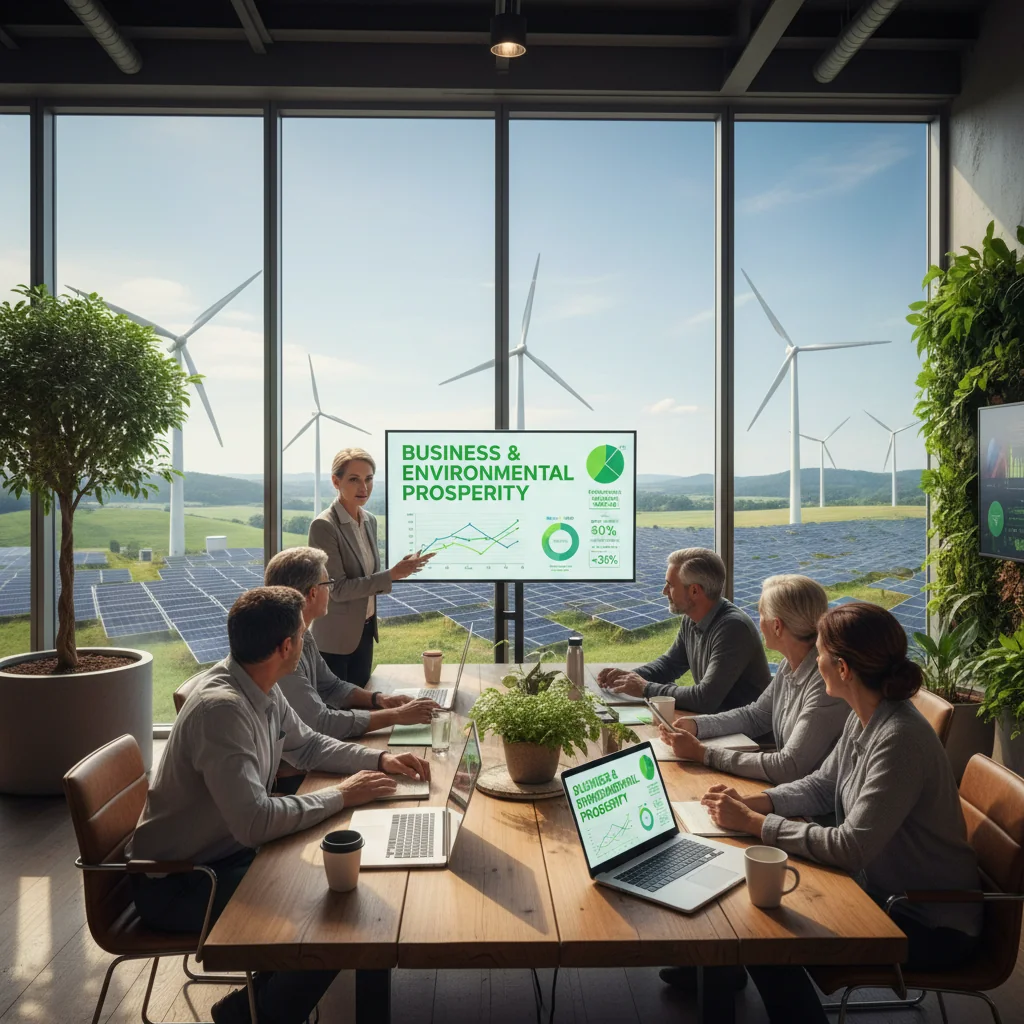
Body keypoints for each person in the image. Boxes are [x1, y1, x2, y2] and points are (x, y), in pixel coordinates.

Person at [128, 587, 431, 1024]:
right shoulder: (222, 712)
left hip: (224, 854)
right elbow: (255, 822)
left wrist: (381, 759)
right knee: (336, 915)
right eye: (304, 634)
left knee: (336, 892)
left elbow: (308, 747)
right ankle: (257, 1015)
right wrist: (343, 794)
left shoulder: (256, 683)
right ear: (286, 646)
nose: (307, 642)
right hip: (182, 883)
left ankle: (249, 1007)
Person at [701, 602, 981, 1024]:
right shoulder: (867, 715)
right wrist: (754, 804)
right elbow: (821, 785)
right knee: (746, 907)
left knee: (761, 935)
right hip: (881, 893)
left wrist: (756, 824)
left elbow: (851, 847)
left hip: (924, 921)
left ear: (844, 669)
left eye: (821, 651)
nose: (815, 659)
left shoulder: (899, 740)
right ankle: (711, 985)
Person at [657, 574, 849, 784]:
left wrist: (703, 753)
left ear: (777, 626)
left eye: (760, 614)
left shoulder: (825, 685)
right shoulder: (791, 664)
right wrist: (696, 725)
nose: (758, 622)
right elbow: (755, 716)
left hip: (812, 808)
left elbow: (789, 766)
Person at [265, 546, 437, 743]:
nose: (330, 589)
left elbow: (331, 686)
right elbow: (320, 723)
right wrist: (397, 715)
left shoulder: (303, 634)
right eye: (328, 583)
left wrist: (381, 700)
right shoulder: (284, 652)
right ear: (313, 593)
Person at [308, 447, 432, 686]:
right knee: (338, 714)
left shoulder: (369, 521)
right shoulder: (323, 526)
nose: (363, 487)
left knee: (362, 709)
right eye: (354, 479)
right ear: (336, 481)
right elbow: (338, 589)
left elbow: (368, 575)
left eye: (369, 479)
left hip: (363, 632)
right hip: (335, 640)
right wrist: (392, 575)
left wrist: (399, 568)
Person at [598, 547, 771, 713]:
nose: (664, 591)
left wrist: (645, 688)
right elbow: (670, 664)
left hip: (746, 738)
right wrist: (625, 677)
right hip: (716, 725)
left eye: (670, 585)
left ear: (695, 590)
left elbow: (704, 698)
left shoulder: (733, 629)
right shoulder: (691, 618)